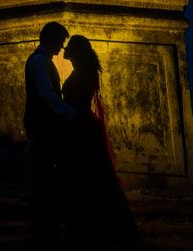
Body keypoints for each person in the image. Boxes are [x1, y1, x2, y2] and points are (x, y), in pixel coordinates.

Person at [61, 35, 139, 243]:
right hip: (82, 125)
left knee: (89, 174)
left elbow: (76, 101)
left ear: (76, 52)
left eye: (69, 48)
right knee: (93, 174)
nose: (64, 50)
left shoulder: (83, 74)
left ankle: (93, 224)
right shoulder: (85, 72)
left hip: (81, 127)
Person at [23, 20, 76, 238]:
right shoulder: (39, 61)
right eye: (60, 42)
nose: (61, 48)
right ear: (51, 39)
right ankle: (45, 222)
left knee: (44, 170)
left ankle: (46, 220)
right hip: (42, 122)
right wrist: (68, 113)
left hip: (41, 121)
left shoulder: (41, 60)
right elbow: (46, 94)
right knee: (44, 171)